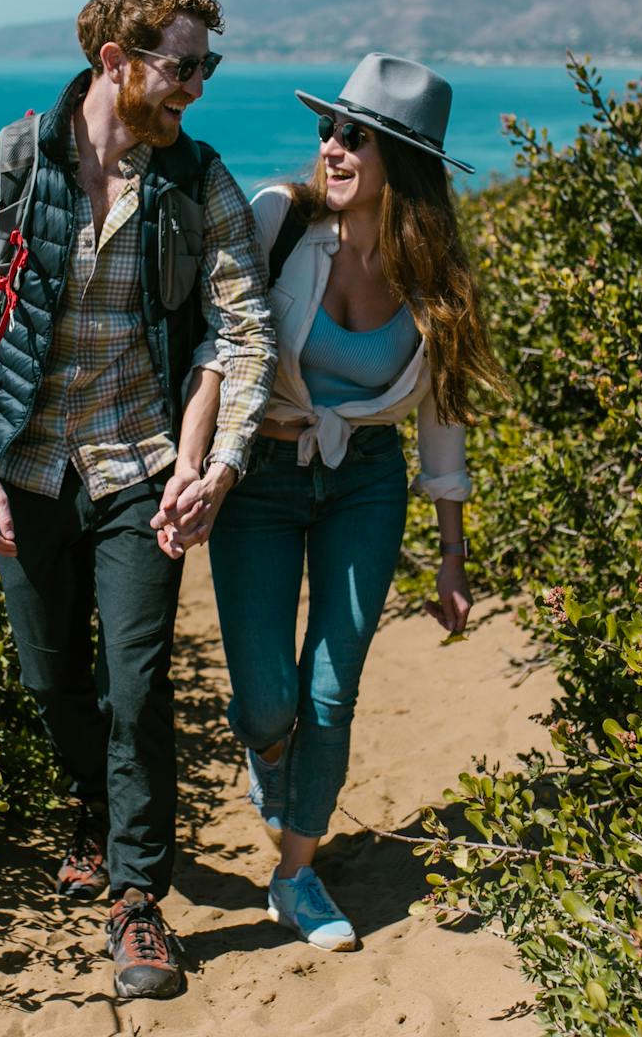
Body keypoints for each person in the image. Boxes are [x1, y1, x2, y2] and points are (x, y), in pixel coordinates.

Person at [0, 0, 275, 999]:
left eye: (209, 63)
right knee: (48, 676)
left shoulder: (199, 181)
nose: (197, 85)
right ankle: (92, 811)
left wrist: (219, 462)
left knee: (139, 680)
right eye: (183, 64)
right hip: (23, 466)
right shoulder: (7, 167)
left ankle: (136, 897)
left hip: (139, 466)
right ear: (117, 61)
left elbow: (247, 335)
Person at [168, 53, 509, 952]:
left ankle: (297, 875)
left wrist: (451, 557)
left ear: (405, 161)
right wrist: (195, 461)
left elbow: (441, 420)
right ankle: (270, 759)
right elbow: (222, 346)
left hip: (364, 478)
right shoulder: (279, 220)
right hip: (264, 478)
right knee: (268, 702)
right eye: (329, 129)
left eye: (356, 135)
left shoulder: (434, 276)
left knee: (331, 688)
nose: (333, 147)